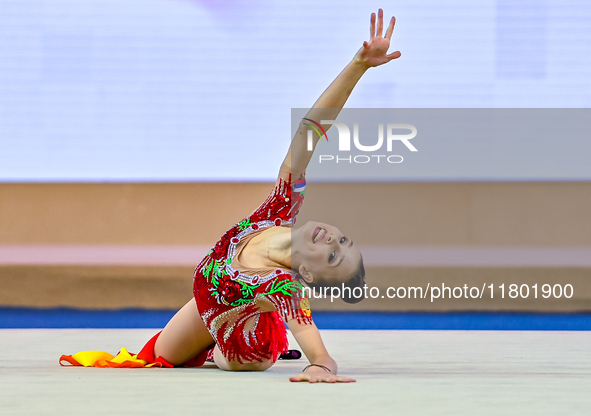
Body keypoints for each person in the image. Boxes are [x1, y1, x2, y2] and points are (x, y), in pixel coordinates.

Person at [60, 8, 400, 383]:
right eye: (344, 239)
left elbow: (317, 348)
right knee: (158, 356)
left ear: (305, 273)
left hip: (242, 346)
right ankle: (253, 315)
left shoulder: (285, 286)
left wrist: (320, 365)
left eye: (334, 256)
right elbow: (311, 129)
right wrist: (358, 65)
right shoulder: (280, 207)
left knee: (197, 358)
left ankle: (267, 333)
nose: (334, 239)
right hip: (213, 298)